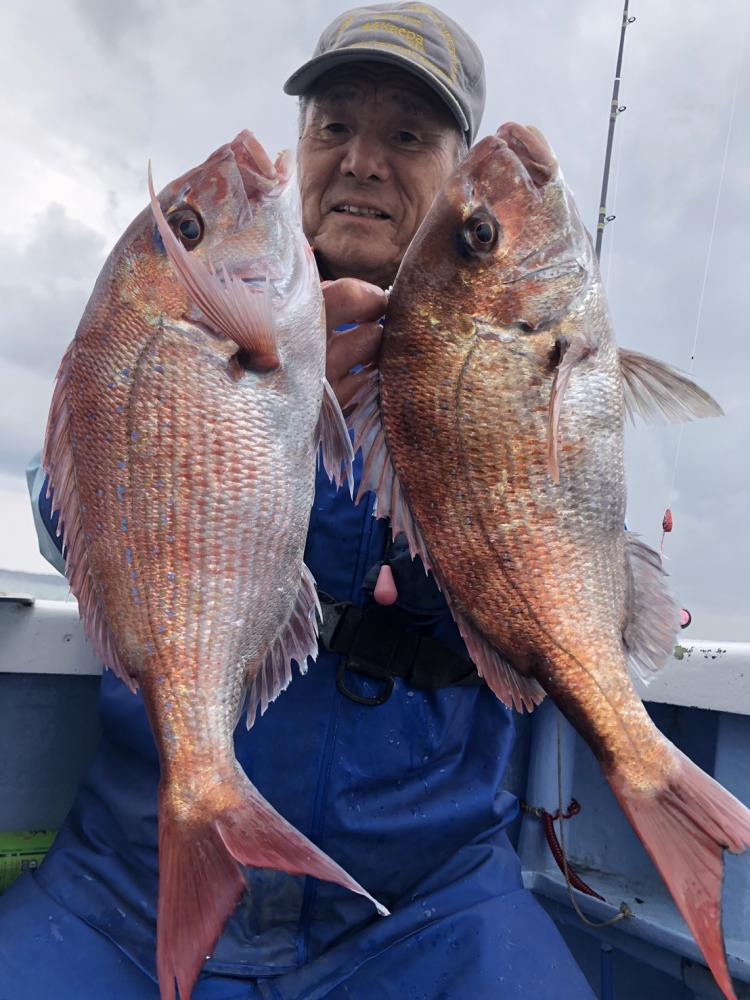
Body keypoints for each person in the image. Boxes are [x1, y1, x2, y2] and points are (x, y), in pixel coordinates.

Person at [0, 5, 596, 998]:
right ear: (302, 145)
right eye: (333, 127)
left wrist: (451, 521)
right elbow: (61, 505)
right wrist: (200, 407)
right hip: (124, 885)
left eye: (407, 136)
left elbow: (569, 579)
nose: (361, 160)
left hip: (425, 901)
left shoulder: (511, 367)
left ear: (457, 172)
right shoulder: (187, 315)